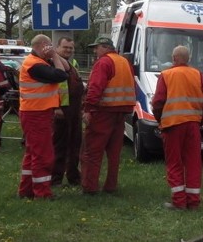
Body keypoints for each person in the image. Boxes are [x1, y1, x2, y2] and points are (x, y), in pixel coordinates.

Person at [151, 45, 203, 210]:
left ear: (174, 58)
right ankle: (193, 201)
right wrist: (200, 120)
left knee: (175, 162)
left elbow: (158, 102)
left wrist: (160, 120)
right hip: (193, 125)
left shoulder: (167, 75)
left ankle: (179, 202)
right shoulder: (197, 74)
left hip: (172, 125)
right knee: (193, 162)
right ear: (188, 59)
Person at [81, 35, 135, 195]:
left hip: (103, 111)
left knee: (92, 151)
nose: (95, 51)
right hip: (122, 112)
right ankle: (110, 185)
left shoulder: (103, 62)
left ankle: (90, 187)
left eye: (96, 47)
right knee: (114, 152)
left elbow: (96, 87)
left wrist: (88, 109)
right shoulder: (124, 62)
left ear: (104, 47)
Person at [18, 35, 70, 199]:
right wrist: (54, 55)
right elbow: (62, 76)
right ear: (42, 46)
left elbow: (66, 68)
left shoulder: (38, 61)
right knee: (43, 155)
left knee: (32, 153)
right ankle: (42, 192)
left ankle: (26, 190)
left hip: (36, 112)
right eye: (49, 46)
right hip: (36, 113)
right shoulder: (35, 65)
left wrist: (54, 55)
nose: (52, 48)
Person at [52, 36, 85, 186]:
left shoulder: (72, 64)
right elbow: (53, 87)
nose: (68, 50)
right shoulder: (53, 63)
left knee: (75, 144)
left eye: (71, 48)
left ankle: (73, 176)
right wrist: (57, 107)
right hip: (61, 111)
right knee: (60, 145)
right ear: (57, 48)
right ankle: (55, 178)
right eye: (65, 47)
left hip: (74, 110)